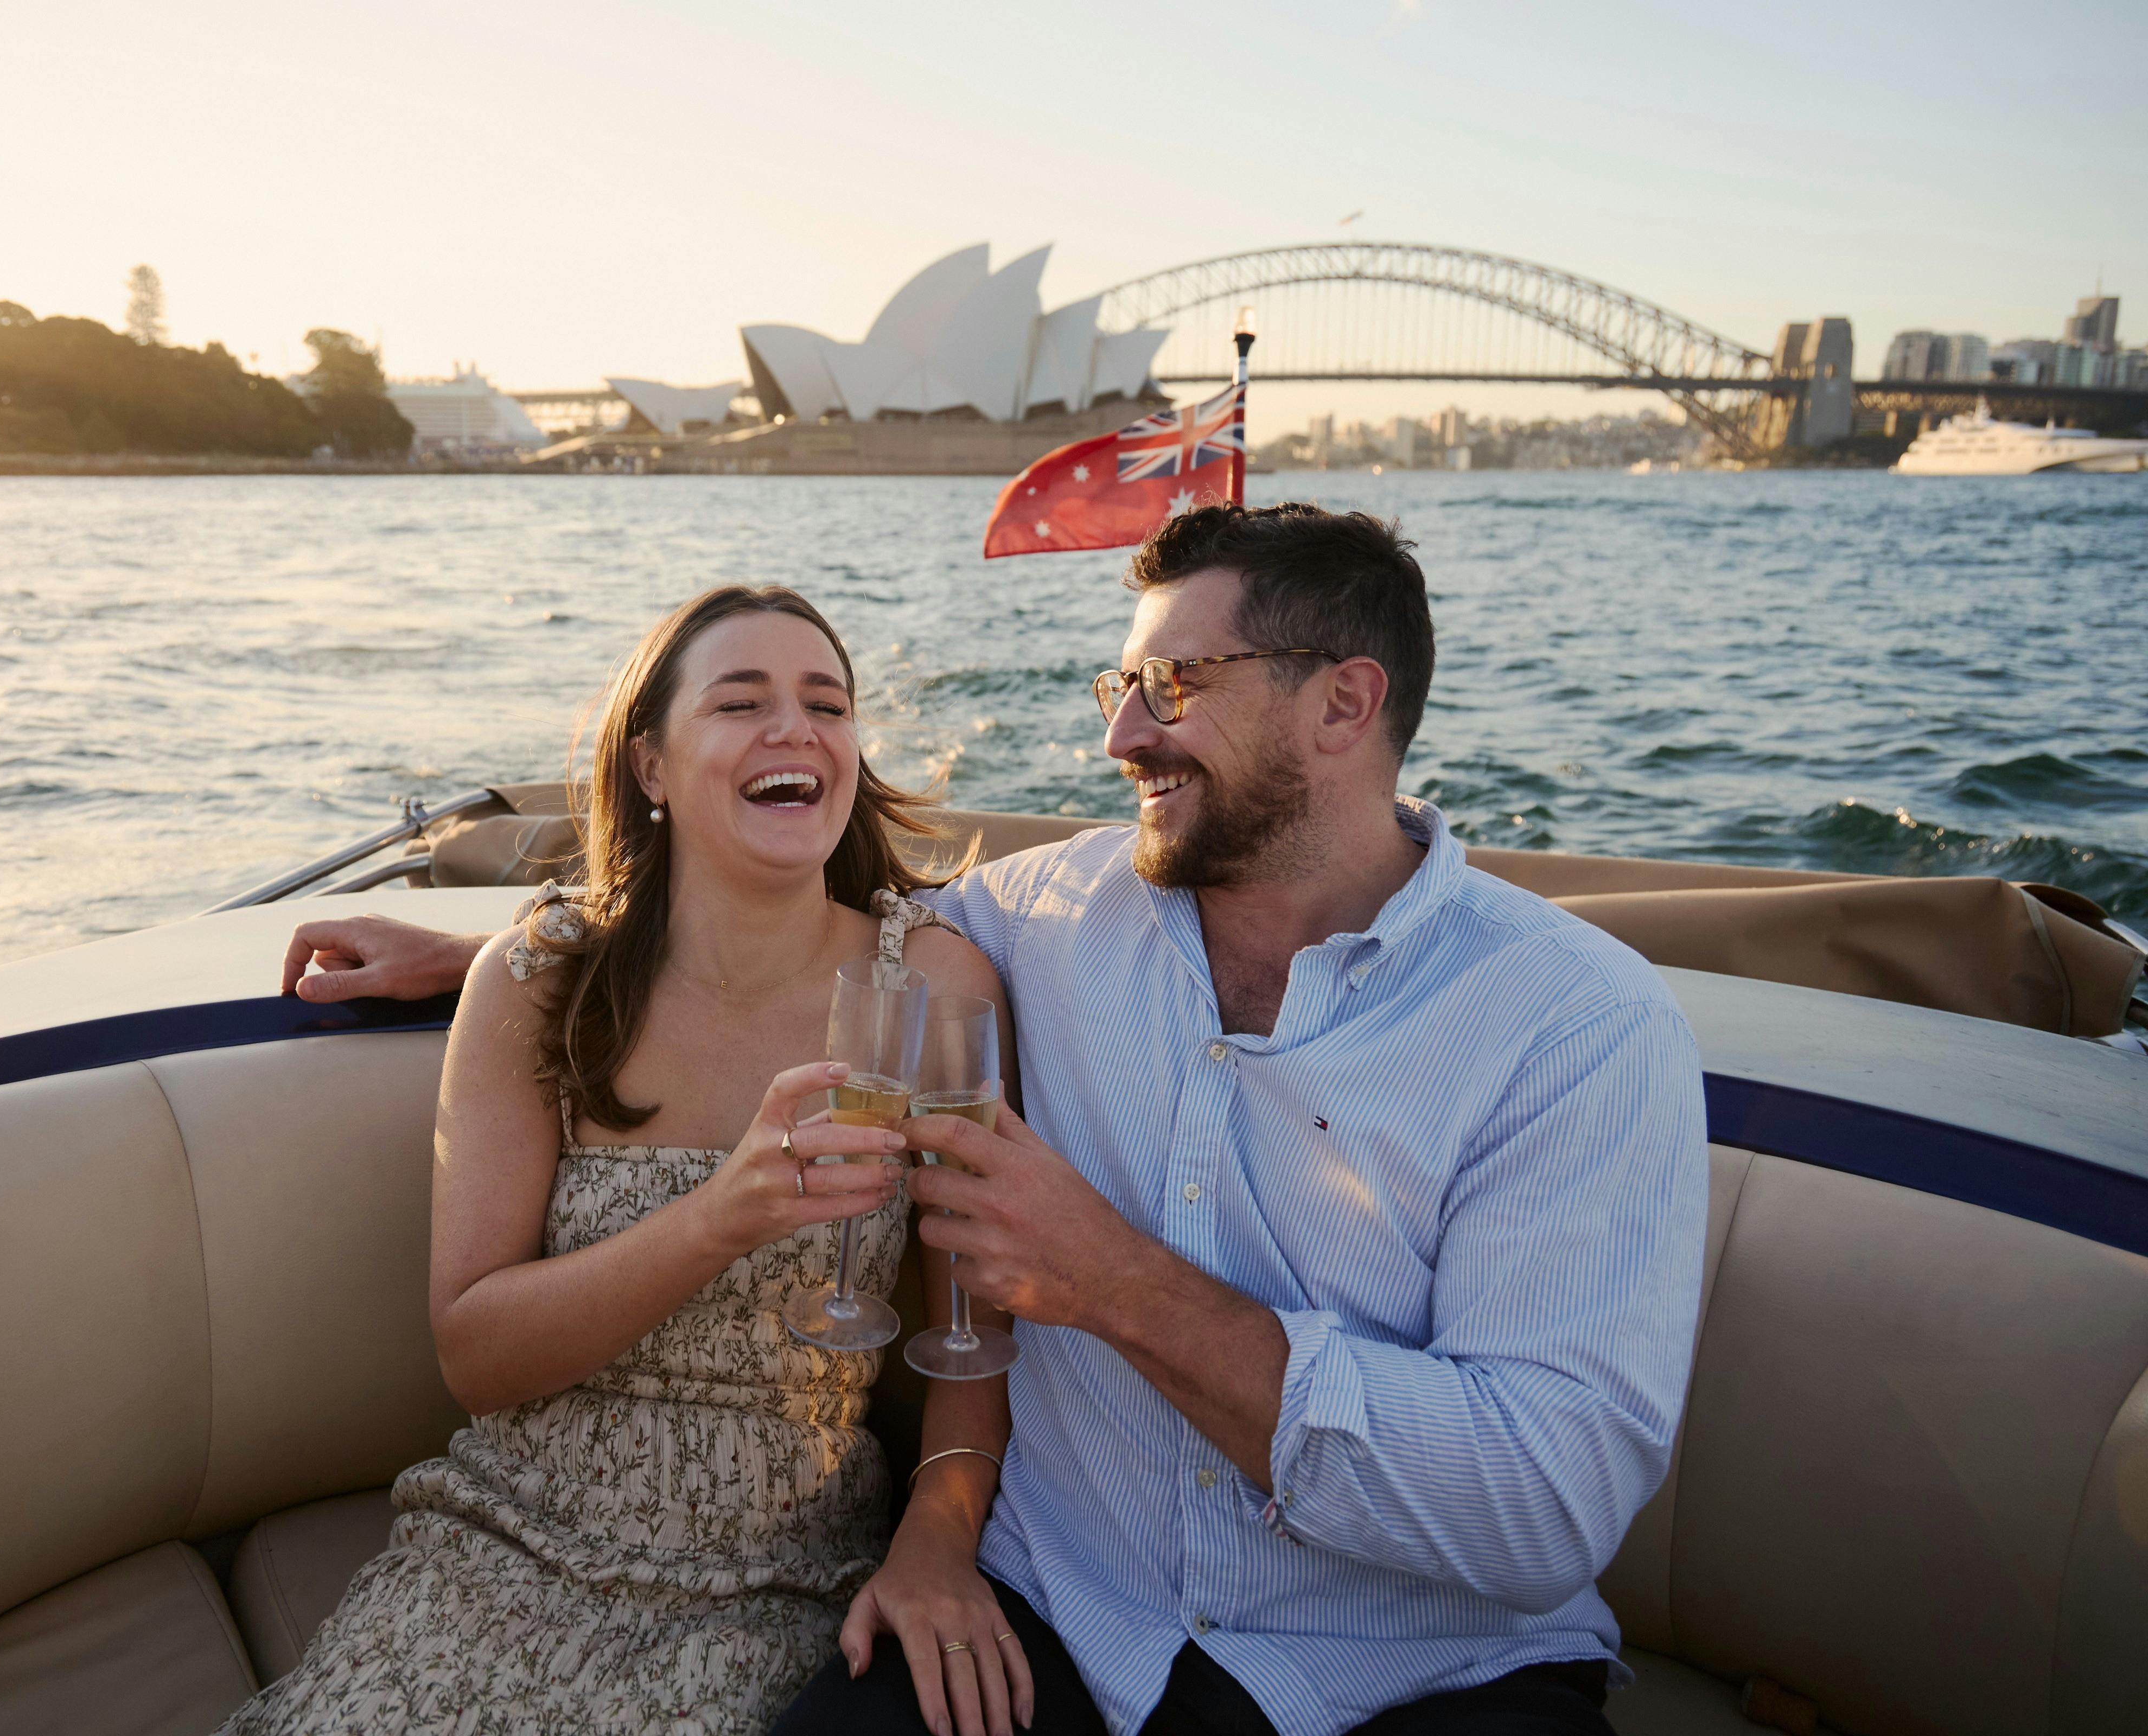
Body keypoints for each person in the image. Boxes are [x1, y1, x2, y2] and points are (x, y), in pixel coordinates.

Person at [281, 503, 1707, 1736]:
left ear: (1343, 705)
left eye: (1171, 683)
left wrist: (1118, 1286)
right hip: (1059, 1631)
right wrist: (493, 961)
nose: (1117, 732)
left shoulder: (1578, 1027)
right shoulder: (1048, 916)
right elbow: (766, 936)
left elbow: (1542, 1510)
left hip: (1419, 1677)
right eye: (1121, 679)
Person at [224, 584, 1020, 1735]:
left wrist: (940, 1537)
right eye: (741, 702)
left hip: (779, 1566)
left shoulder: (936, 988)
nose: (795, 729)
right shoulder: (536, 980)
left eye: (827, 705)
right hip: (511, 1542)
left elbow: (973, 1341)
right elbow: (477, 1353)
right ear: (650, 765)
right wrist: (716, 1218)